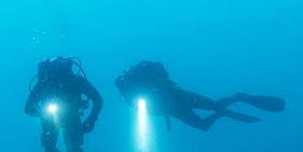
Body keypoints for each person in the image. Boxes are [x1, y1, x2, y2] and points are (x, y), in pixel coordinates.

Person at [115, 61, 285, 131]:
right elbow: (146, 110)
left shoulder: (141, 82)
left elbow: (162, 84)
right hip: (171, 109)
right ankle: (222, 112)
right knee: (204, 126)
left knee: (215, 104)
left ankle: (238, 97)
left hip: (177, 97)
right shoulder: (130, 93)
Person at [24, 56, 103, 152]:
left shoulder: (69, 81)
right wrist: (43, 112)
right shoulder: (50, 83)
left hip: (68, 116)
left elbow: (98, 99)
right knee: (52, 146)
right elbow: (28, 108)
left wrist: (91, 120)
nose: (58, 85)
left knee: (68, 146)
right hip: (52, 118)